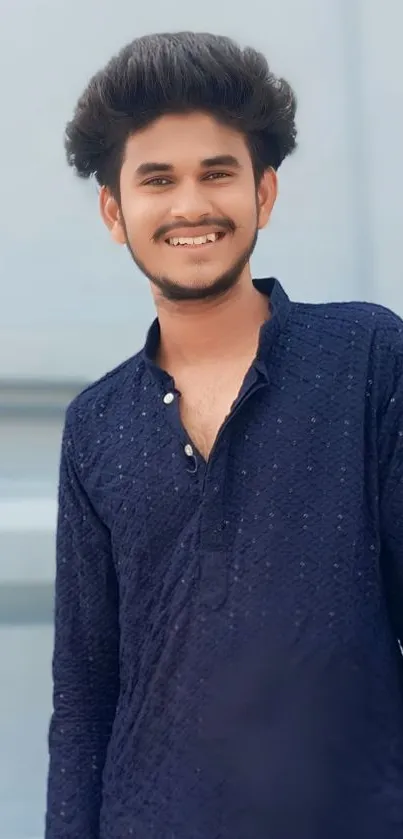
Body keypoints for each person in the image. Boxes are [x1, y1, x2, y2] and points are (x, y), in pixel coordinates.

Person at [45, 31, 403, 839]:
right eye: (157, 179)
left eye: (216, 173)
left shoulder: (370, 358)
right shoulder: (93, 427)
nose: (190, 206)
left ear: (263, 194)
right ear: (114, 210)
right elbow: (84, 694)